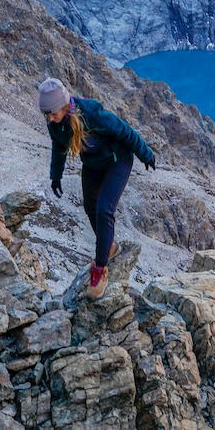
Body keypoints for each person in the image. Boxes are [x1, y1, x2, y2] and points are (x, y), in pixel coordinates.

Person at [38, 77, 156, 299]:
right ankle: (109, 247)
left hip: (117, 159)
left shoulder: (90, 111)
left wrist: (145, 153)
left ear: (63, 105)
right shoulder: (55, 124)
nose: (50, 119)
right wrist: (56, 176)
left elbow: (124, 130)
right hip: (92, 163)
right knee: (90, 207)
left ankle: (100, 269)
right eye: (47, 115)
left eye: (52, 113)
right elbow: (58, 147)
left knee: (104, 208)